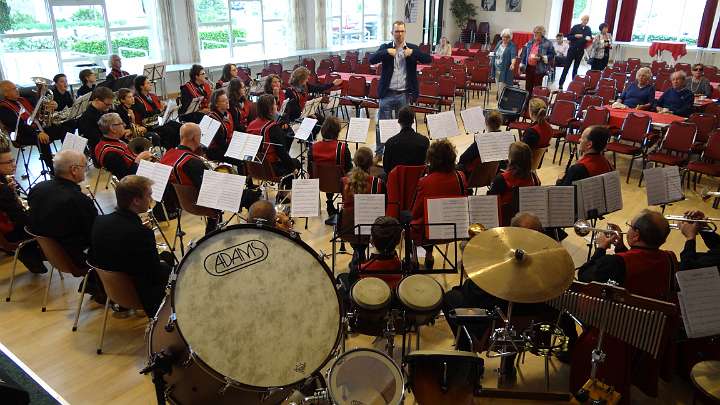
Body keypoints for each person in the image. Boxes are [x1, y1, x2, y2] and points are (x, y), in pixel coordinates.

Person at [574, 209, 676, 402]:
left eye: (630, 226)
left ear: (636, 235)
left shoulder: (614, 263)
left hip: (617, 331)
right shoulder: (670, 258)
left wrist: (600, 248)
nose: (627, 229)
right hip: (649, 330)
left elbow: (585, 277)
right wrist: (621, 247)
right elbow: (638, 269)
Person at [442, 212, 559, 352]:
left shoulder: (501, 264)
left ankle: (468, 351)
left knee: (451, 298)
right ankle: (508, 362)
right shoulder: (554, 261)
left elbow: (474, 293)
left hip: (498, 326)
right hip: (535, 325)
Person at [90, 175, 171, 316]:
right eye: (149, 195)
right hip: (136, 293)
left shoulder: (100, 221)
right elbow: (155, 274)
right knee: (171, 263)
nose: (151, 200)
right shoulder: (141, 233)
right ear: (136, 201)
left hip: (112, 289)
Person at [370, 20, 432, 157]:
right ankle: (379, 153)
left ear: (405, 32)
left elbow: (428, 59)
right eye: (397, 31)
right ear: (392, 33)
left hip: (404, 94)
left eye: (402, 31)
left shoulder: (412, 48)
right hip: (387, 93)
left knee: (404, 126)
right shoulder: (385, 47)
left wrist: (413, 53)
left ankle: (399, 153)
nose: (399, 34)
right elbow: (372, 59)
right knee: (382, 125)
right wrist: (386, 52)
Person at [28, 150, 97, 268]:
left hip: (51, 253)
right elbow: (95, 233)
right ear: (74, 170)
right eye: (84, 165)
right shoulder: (77, 199)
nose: (85, 169)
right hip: (76, 258)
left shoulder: (37, 188)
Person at [411, 140, 468, 269]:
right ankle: (428, 255)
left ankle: (420, 257)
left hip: (430, 234)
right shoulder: (461, 176)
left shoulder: (425, 182)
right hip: (455, 230)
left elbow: (416, 213)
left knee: (411, 218)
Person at [160, 123, 221, 234]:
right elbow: (210, 190)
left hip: (180, 203)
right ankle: (214, 233)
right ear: (195, 138)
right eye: (200, 136)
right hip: (200, 204)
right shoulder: (192, 162)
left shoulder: (167, 155)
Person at [0, 140, 47, 274]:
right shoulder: (3, 190)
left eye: (13, 160)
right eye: (9, 162)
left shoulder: (3, 184)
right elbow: (21, 219)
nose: (14, 164)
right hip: (14, 233)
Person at [0, 80, 64, 172]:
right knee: (42, 140)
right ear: (5, 93)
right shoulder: (3, 108)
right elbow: (19, 126)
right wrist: (38, 133)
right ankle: (53, 170)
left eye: (16, 88)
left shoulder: (22, 100)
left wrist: (51, 106)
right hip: (23, 135)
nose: (17, 90)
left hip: (38, 128)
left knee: (64, 127)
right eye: (14, 89)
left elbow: (38, 112)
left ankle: (67, 158)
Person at [247, 94, 299, 198]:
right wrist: (293, 168)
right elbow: (282, 153)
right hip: (269, 169)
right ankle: (283, 195)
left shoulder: (251, 125)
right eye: (275, 104)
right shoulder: (272, 128)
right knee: (295, 163)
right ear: (270, 109)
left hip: (253, 167)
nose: (277, 106)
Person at [340, 147, 386, 264]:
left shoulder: (344, 181)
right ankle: (360, 253)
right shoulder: (378, 183)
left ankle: (357, 252)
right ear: (371, 163)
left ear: (355, 162)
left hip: (348, 228)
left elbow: (345, 202)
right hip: (371, 228)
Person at [308, 117, 352, 224]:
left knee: (327, 173)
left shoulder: (313, 148)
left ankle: (329, 202)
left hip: (319, 183)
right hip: (340, 185)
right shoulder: (342, 148)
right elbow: (349, 170)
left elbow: (310, 170)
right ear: (337, 131)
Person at [487, 142, 540, 225]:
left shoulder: (501, 180)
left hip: (504, 223)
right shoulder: (534, 178)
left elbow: (490, 205)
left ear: (511, 159)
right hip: (527, 223)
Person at [283, 66, 341, 139]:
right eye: (306, 78)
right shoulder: (290, 91)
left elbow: (318, 88)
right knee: (315, 123)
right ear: (301, 79)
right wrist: (308, 114)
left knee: (322, 120)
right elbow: (293, 110)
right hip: (296, 115)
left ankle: (313, 138)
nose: (308, 79)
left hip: (305, 112)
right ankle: (308, 139)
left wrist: (332, 84)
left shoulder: (305, 86)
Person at [95, 112, 152, 180]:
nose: (124, 125)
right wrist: (139, 159)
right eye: (121, 123)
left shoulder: (108, 141)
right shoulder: (111, 155)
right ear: (112, 129)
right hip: (135, 181)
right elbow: (126, 178)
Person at [133, 75, 181, 149]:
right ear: (141, 86)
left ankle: (177, 147)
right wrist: (159, 110)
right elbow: (144, 115)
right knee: (170, 131)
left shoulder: (153, 96)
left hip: (159, 121)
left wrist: (166, 107)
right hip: (149, 125)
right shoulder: (137, 99)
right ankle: (168, 150)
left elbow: (160, 108)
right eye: (148, 83)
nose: (151, 84)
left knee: (179, 126)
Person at [383, 106, 430, 176]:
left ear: (399, 121)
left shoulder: (390, 143)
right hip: (417, 180)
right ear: (413, 121)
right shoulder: (424, 141)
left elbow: (386, 168)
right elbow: (426, 164)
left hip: (396, 180)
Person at [457, 110, 503, 177]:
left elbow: (463, 158)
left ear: (486, 123)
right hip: (492, 174)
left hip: (474, 175)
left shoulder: (482, 141)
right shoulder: (504, 139)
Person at [78, 86, 114, 162]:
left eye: (110, 104)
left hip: (108, 145)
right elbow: (95, 139)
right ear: (96, 100)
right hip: (100, 151)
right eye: (107, 104)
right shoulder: (87, 117)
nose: (109, 107)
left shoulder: (102, 110)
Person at [559, 15, 592, 89]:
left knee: (576, 68)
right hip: (572, 50)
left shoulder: (588, 29)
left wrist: (589, 39)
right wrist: (575, 36)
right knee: (566, 67)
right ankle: (561, 84)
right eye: (584, 19)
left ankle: (574, 85)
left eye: (587, 20)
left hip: (580, 50)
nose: (585, 21)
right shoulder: (575, 27)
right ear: (581, 19)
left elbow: (590, 38)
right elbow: (568, 37)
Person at [520, 25, 555, 93]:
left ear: (542, 33)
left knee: (537, 87)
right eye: (534, 32)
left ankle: (535, 99)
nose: (535, 34)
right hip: (529, 67)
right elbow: (525, 53)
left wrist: (542, 57)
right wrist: (522, 64)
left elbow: (552, 54)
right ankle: (528, 99)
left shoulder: (548, 43)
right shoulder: (530, 41)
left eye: (537, 32)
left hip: (539, 68)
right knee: (528, 86)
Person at [205, 89, 235, 162]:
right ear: (216, 104)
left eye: (227, 99)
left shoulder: (227, 113)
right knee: (239, 160)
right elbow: (220, 142)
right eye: (223, 101)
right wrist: (235, 150)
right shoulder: (212, 118)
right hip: (215, 151)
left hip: (226, 146)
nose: (227, 102)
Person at [492, 29, 517, 98]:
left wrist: (512, 64)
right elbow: (494, 52)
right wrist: (491, 56)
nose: (505, 38)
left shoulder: (512, 45)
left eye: (507, 37)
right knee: (498, 88)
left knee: (502, 88)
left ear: (510, 38)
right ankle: (500, 102)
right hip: (496, 69)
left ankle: (502, 103)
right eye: (503, 36)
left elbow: (513, 56)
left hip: (504, 70)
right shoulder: (499, 43)